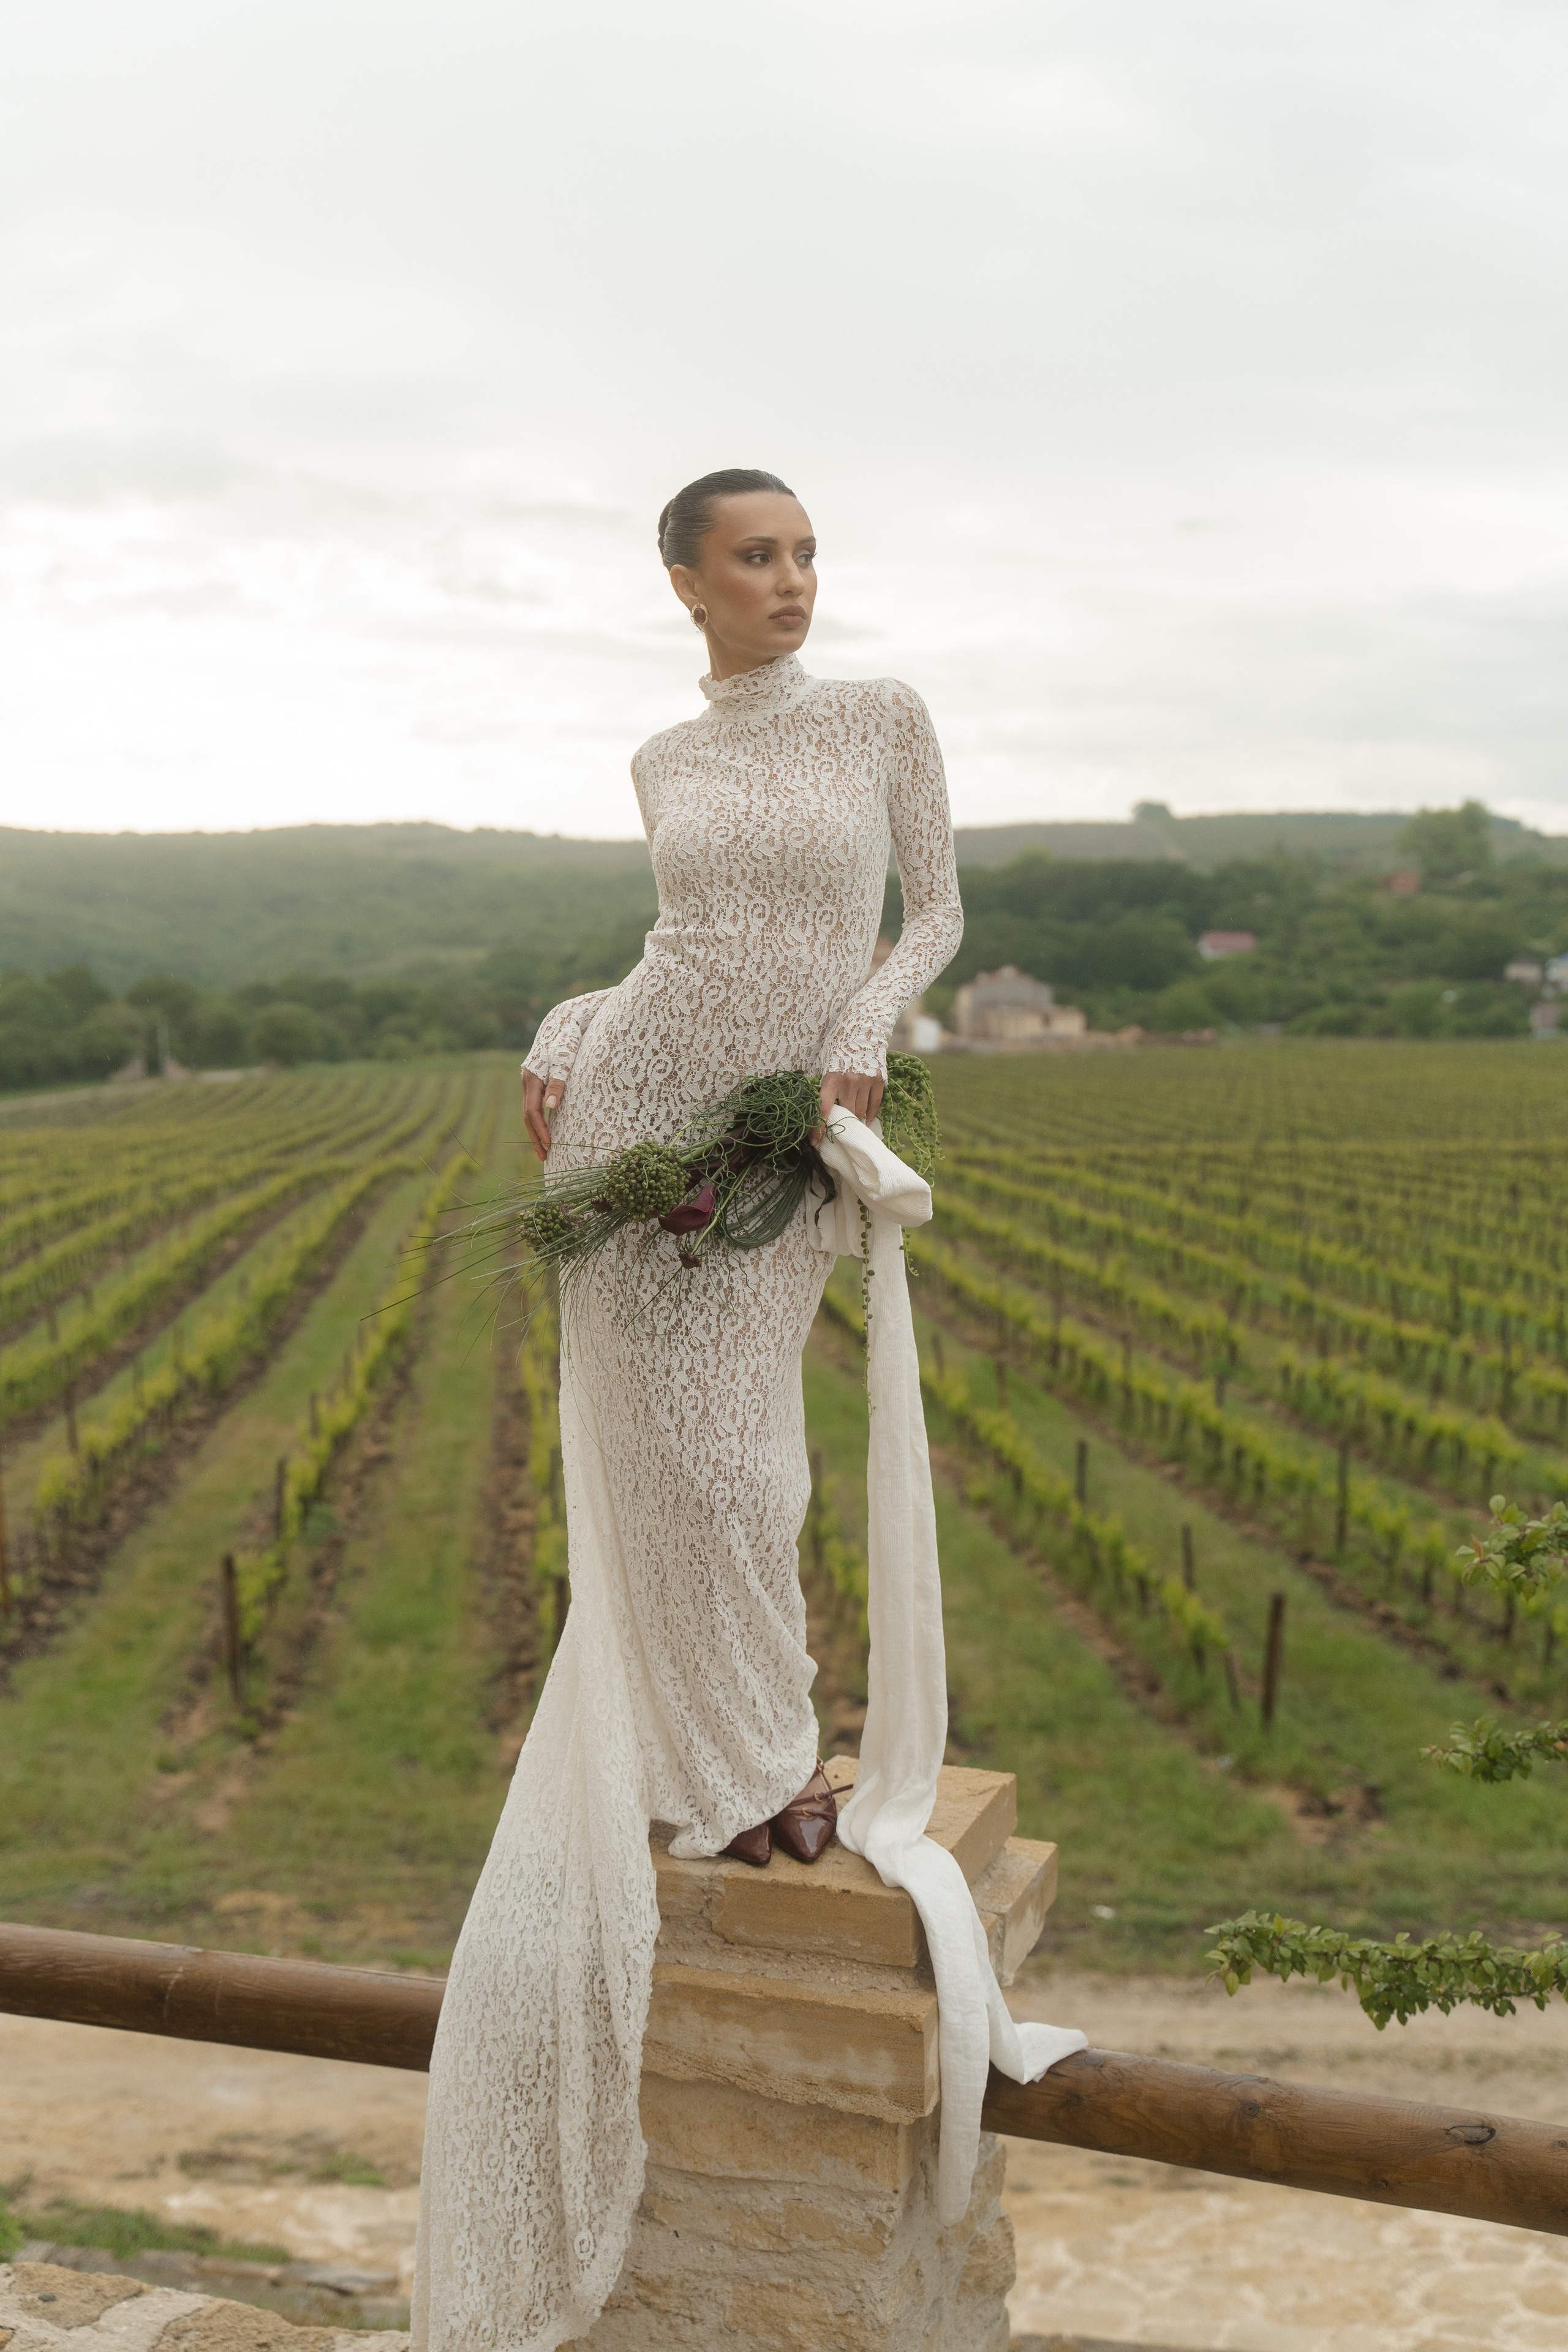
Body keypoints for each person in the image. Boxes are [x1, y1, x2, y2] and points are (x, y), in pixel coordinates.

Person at [412, 469, 1069, 2352]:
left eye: (804, 558)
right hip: (633, 1117)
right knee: (653, 1460)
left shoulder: (881, 719)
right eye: (754, 560)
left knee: (742, 1459)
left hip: (792, 1127)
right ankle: (725, 1776)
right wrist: (563, 1026)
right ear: (685, 584)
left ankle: (774, 1754)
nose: (789, 586)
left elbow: (933, 910)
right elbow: (667, 952)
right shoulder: (660, 761)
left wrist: (862, 1035)